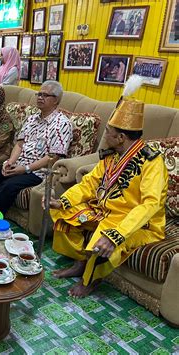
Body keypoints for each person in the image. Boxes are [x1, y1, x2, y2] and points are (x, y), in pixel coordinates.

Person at [48, 99, 168, 298]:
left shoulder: (151, 161)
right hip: (104, 210)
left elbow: (151, 204)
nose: (106, 135)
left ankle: (90, 281)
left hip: (135, 222)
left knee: (103, 240)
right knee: (62, 213)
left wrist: (118, 233)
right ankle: (80, 263)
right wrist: (64, 200)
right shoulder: (112, 155)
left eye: (108, 132)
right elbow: (90, 183)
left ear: (121, 137)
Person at [0, 81, 72, 214]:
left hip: (38, 172)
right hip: (19, 164)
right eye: (39, 94)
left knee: (8, 185)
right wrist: (11, 162)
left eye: (45, 95)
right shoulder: (32, 119)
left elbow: (53, 157)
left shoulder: (62, 124)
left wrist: (25, 169)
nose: (40, 97)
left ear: (56, 100)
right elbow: (19, 144)